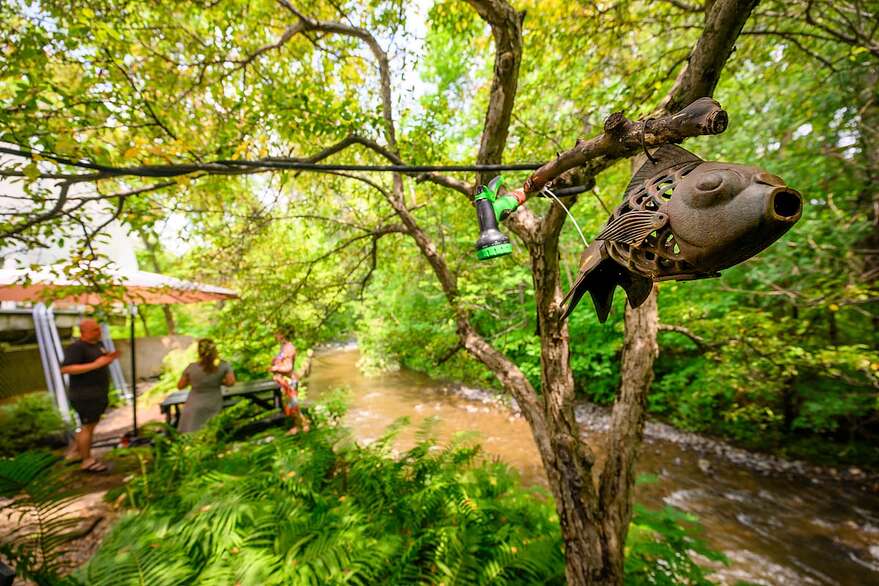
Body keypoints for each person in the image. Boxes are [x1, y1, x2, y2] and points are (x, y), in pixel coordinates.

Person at [60, 318, 120, 473]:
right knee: (87, 426)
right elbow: (66, 369)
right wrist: (96, 365)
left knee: (89, 425)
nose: (98, 332)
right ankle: (87, 461)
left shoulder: (98, 345)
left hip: (98, 393)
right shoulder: (77, 348)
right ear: (83, 331)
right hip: (84, 395)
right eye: (94, 330)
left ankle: (75, 452)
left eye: (98, 329)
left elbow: (100, 360)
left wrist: (108, 359)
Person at [176, 339, 235, 433]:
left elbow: (180, 386)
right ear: (215, 349)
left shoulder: (191, 367)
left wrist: (192, 381)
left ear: (199, 351)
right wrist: (219, 381)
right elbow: (231, 382)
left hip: (194, 404)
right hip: (213, 403)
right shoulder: (223, 365)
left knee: (193, 432)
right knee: (212, 431)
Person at [270, 331, 312, 435]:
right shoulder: (283, 347)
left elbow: (288, 367)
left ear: (283, 334)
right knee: (291, 405)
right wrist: (275, 361)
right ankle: (298, 426)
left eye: (277, 333)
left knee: (293, 406)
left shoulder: (288, 348)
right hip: (284, 381)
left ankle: (304, 424)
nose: (274, 335)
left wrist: (275, 368)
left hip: (289, 381)